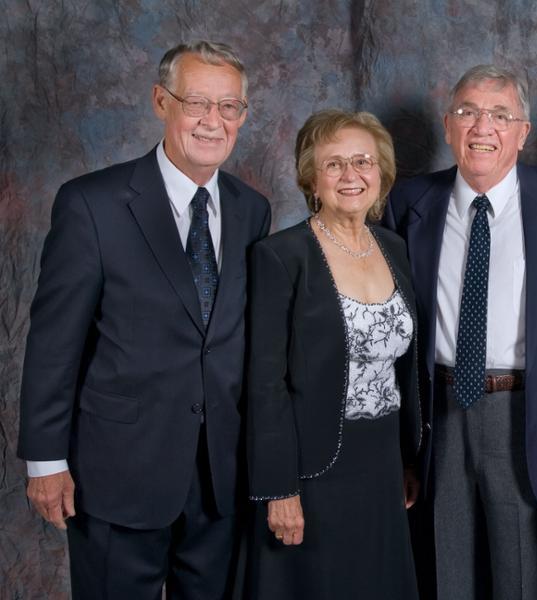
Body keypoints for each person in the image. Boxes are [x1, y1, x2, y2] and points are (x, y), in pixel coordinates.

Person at [17, 41, 271, 598]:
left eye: (229, 107)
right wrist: (44, 461)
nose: (213, 121)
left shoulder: (252, 210)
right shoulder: (92, 204)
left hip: (220, 479)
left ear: (243, 116)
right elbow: (54, 343)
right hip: (117, 474)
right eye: (197, 103)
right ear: (161, 101)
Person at [384, 65, 537, 599]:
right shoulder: (409, 203)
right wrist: (402, 447)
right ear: (448, 126)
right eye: (468, 112)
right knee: (444, 569)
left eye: (500, 115)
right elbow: (391, 338)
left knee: (521, 575)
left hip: (525, 414)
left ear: (523, 132)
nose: (483, 127)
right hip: (439, 407)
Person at [244, 109, 421, 599]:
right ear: (310, 178)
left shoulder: (394, 248)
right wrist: (279, 488)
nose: (351, 176)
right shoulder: (282, 255)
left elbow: (400, 370)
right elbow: (265, 384)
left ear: (381, 173)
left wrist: (408, 460)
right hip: (313, 465)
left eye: (363, 162)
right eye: (334, 164)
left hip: (383, 461)